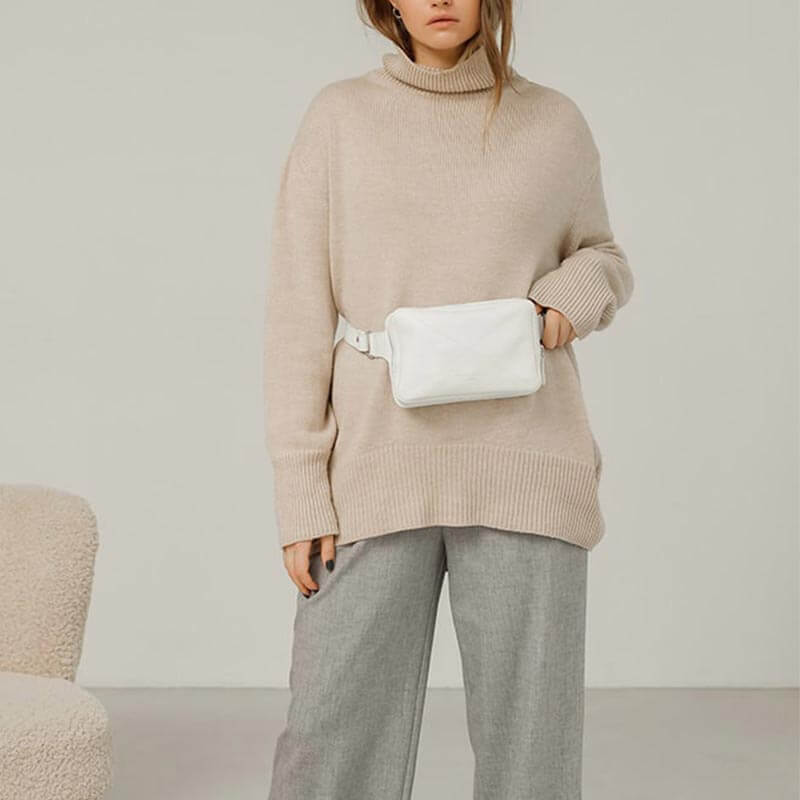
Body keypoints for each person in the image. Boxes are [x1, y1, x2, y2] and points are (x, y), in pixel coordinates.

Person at [262, 1, 634, 797]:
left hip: (527, 461)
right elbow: (298, 310)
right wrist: (301, 492)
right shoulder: (339, 120)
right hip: (374, 463)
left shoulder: (553, 123)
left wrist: (570, 295)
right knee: (329, 742)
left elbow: (603, 254)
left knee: (531, 758)